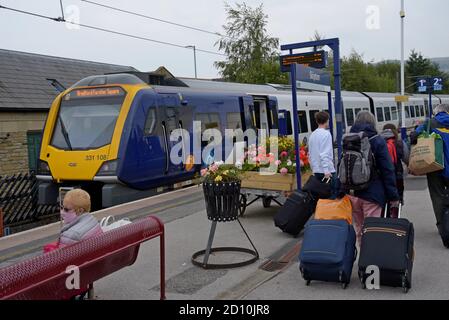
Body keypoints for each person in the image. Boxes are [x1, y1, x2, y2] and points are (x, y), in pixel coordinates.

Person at [345, 111, 400, 243]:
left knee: (360, 228)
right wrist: (393, 196)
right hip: (372, 194)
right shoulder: (377, 140)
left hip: (352, 193)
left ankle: (363, 258)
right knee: (373, 229)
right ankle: (371, 258)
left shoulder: (347, 139)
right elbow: (387, 170)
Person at [410, 103, 449, 248]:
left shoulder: (430, 123)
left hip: (435, 166)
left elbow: (414, 136)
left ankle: (442, 226)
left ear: (436, 113)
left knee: (437, 196)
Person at [308, 111, 339, 199]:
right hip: (327, 171)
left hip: (317, 170)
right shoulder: (326, 134)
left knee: (320, 197)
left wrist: (313, 169)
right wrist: (326, 171)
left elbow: (310, 154)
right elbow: (324, 154)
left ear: (317, 121)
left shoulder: (312, 135)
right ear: (327, 120)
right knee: (332, 196)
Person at [381, 123, 409, 207]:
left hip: (382, 176)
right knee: (397, 198)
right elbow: (406, 157)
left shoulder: (379, 142)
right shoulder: (400, 143)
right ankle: (396, 213)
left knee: (384, 199)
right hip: (397, 175)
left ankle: (386, 214)